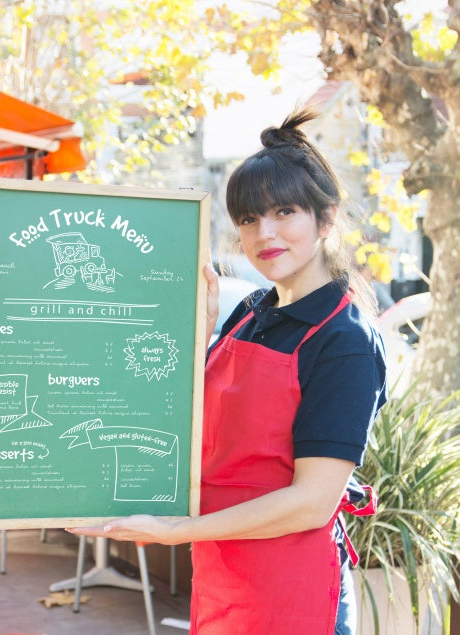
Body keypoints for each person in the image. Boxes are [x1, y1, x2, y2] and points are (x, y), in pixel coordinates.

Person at [67, 109, 387, 634]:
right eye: (247, 218)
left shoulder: (344, 340)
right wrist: (196, 335)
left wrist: (180, 529)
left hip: (293, 591)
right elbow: (191, 420)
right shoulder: (249, 311)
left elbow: (310, 503)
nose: (265, 233)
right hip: (223, 575)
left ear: (324, 220)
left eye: (285, 212)